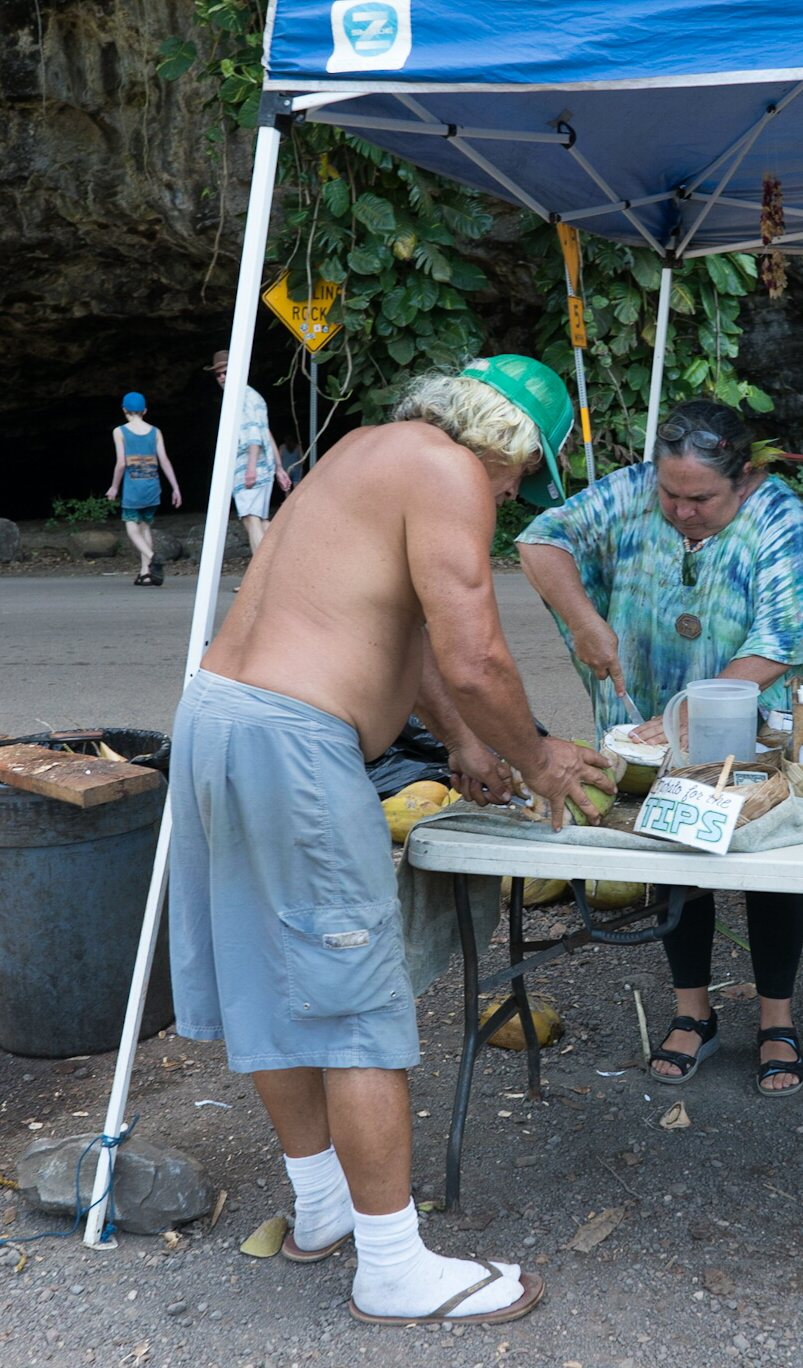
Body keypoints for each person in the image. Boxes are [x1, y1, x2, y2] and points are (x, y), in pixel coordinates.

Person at [169, 355, 615, 1328]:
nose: (510, 494)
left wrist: (460, 738)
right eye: (520, 475)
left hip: (216, 717)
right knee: (352, 1003)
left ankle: (322, 1206)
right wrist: (535, 754)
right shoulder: (450, 472)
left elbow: (392, 636)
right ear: (506, 440)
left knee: (270, 978)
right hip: (293, 742)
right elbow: (474, 650)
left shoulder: (366, 454)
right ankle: (391, 1265)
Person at [516, 398, 803, 1097]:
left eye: (700, 498)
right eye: (670, 493)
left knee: (763, 863)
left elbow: (783, 637)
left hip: (760, 716)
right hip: (651, 716)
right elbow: (540, 541)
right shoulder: (637, 488)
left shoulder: (774, 509)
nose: (680, 510)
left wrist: (695, 707)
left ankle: (776, 1020)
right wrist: (582, 622)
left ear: (744, 479)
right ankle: (693, 1010)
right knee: (676, 852)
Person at [212, 350, 292, 552]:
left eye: (226, 372)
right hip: (262, 465)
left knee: (250, 518)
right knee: (260, 520)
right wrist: (279, 468)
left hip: (250, 466)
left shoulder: (242, 397)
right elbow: (266, 432)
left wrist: (251, 469)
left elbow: (254, 435)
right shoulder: (251, 396)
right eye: (218, 374)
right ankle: (279, 567)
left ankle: (259, 580)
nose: (222, 377)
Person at [105, 391, 182, 586]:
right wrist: (175, 488)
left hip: (133, 488)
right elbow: (163, 460)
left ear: (124, 410)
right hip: (152, 486)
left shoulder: (120, 431)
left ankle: (152, 556)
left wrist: (114, 487)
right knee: (145, 526)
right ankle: (146, 573)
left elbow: (121, 463)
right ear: (145, 411)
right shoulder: (156, 431)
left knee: (132, 529)